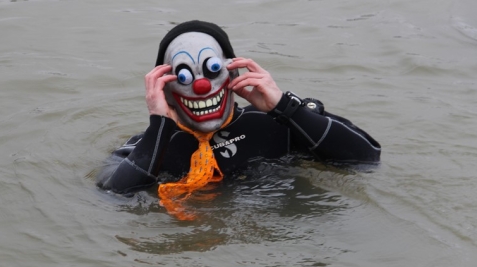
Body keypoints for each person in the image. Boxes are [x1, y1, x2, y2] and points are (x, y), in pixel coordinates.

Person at [97, 20, 381, 219]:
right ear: (165, 87)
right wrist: (159, 125)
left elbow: (366, 159)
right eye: (184, 75)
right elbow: (113, 197)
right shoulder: (148, 148)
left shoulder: (278, 122)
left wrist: (285, 107)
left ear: (233, 72)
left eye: (211, 70)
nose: (201, 86)